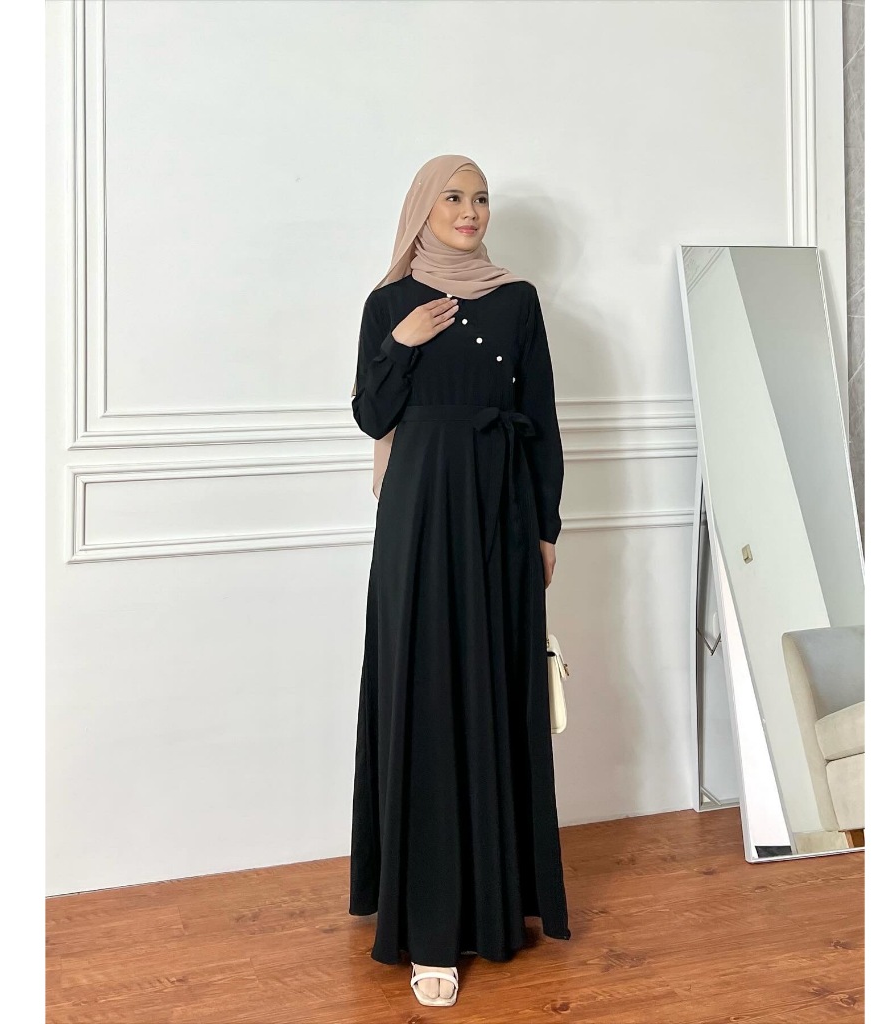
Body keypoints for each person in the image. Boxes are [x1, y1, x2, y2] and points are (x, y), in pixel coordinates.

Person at [348, 154, 571, 1008]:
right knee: (427, 693)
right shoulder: (389, 303)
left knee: (495, 691)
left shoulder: (517, 299)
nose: (470, 210)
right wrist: (401, 346)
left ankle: (496, 902)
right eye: (453, 196)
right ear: (423, 207)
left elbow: (542, 418)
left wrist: (545, 527)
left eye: (480, 198)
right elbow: (372, 415)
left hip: (501, 509)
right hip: (418, 514)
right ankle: (429, 925)